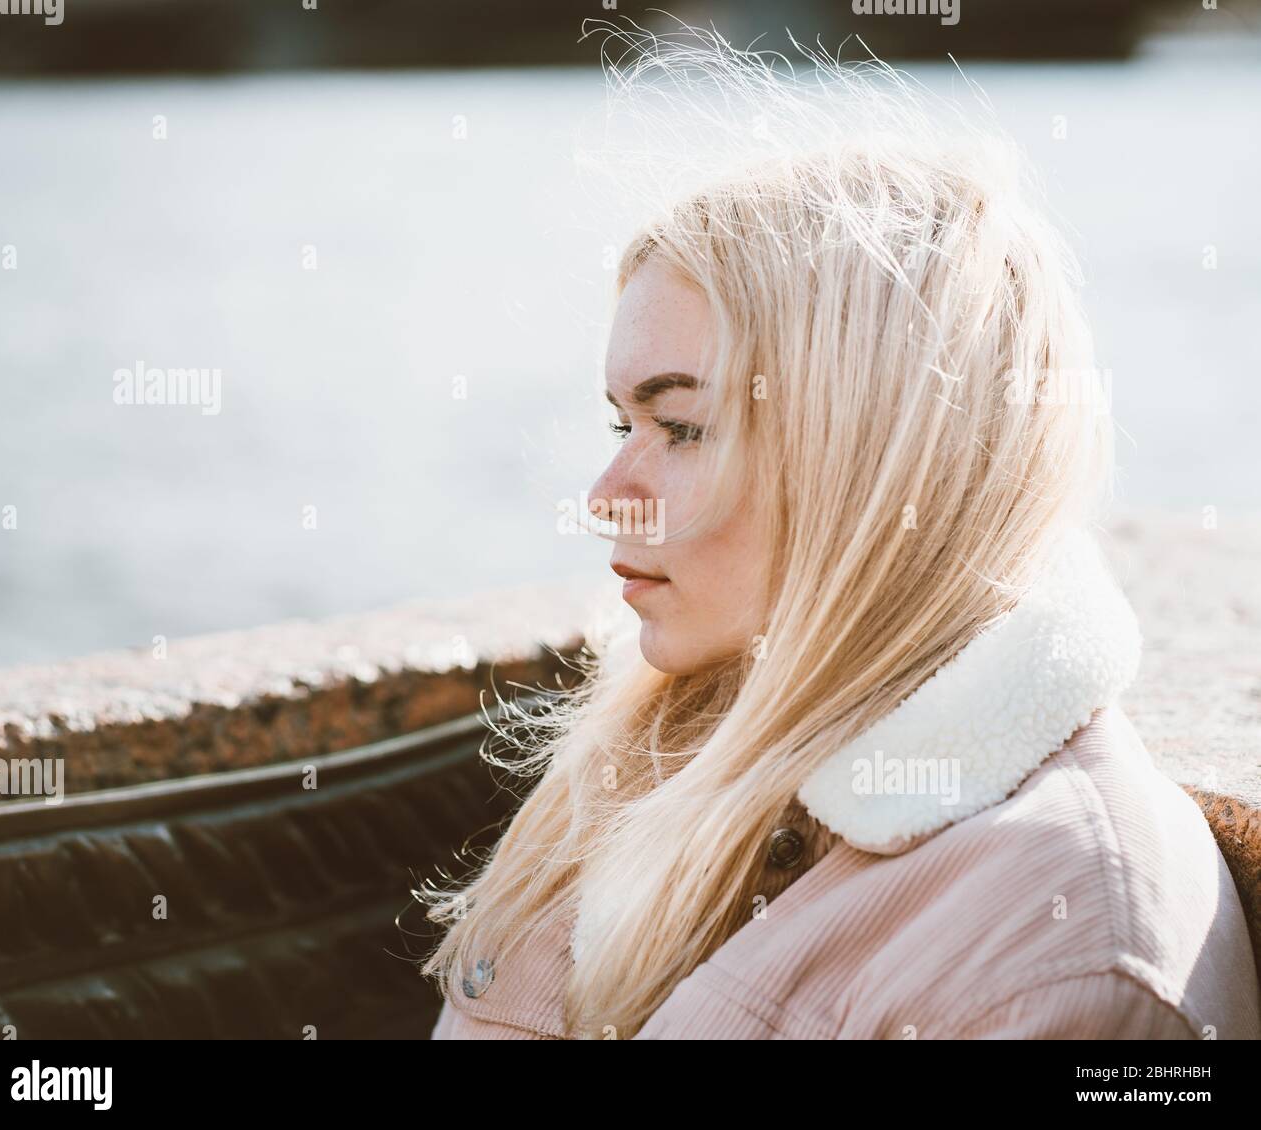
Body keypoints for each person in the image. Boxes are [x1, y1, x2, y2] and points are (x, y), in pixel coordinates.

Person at [417, 25, 1261, 1040]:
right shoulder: (654, 747)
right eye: (620, 421)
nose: (606, 494)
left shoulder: (1064, 954)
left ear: (864, 459)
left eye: (681, 426)